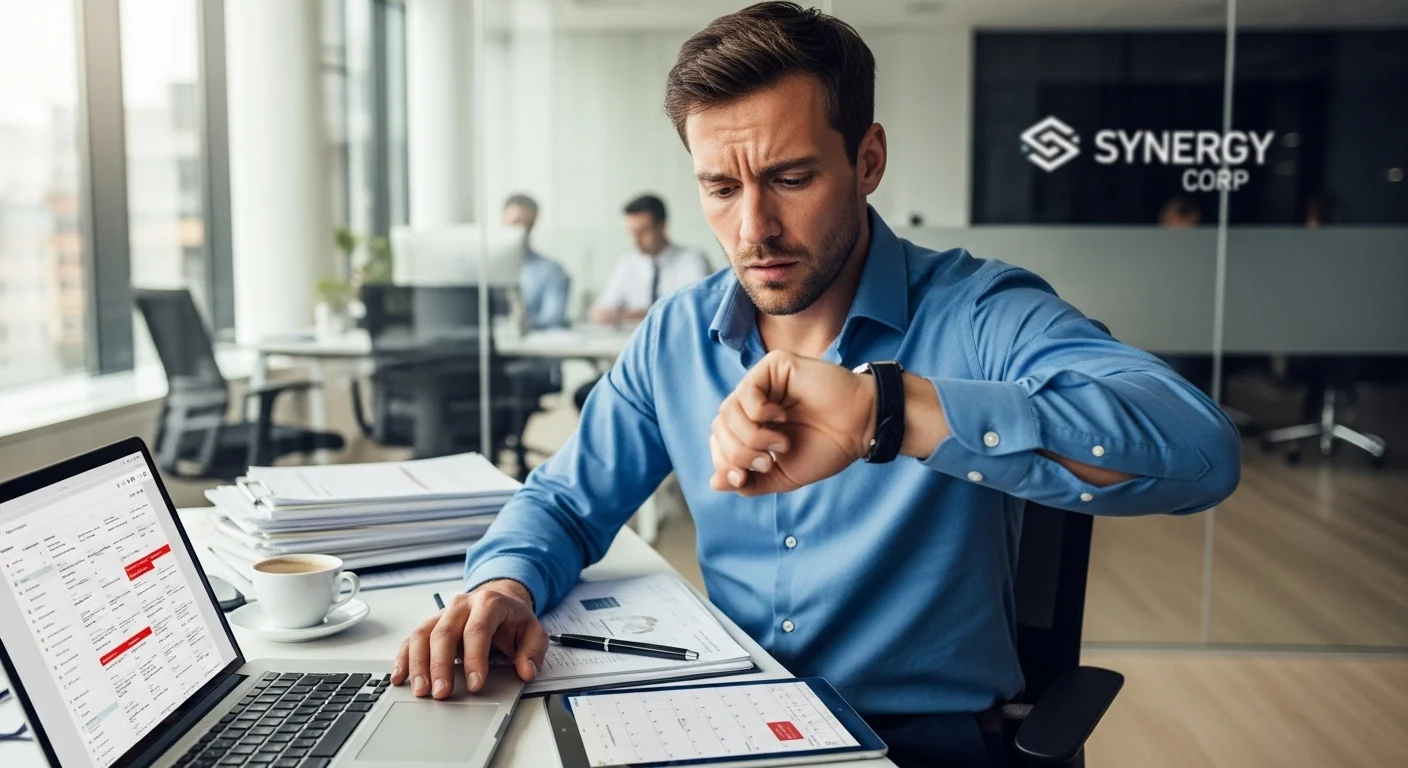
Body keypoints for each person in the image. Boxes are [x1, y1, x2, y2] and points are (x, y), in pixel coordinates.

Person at [392, 4, 1241, 767]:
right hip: (727, 727)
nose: (752, 228)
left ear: (867, 159)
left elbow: (1200, 452)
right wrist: (502, 585)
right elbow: (569, 502)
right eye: (720, 188)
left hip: (921, 747)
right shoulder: (676, 335)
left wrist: (889, 410)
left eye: (791, 178)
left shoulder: (978, 312)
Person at [589, 194, 710, 325]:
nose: (635, 240)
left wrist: (638, 314)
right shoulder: (627, 264)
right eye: (631, 232)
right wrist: (617, 314)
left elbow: (694, 309)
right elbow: (599, 312)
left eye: (642, 232)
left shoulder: (692, 260)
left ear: (662, 226)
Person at [503, 193, 570, 330]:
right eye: (515, 223)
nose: (520, 230)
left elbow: (553, 318)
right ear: (503, 221)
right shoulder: (483, 270)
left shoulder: (551, 270)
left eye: (527, 225)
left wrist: (519, 323)